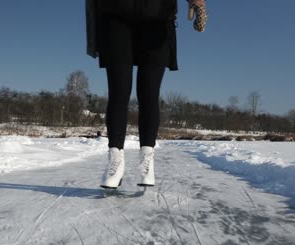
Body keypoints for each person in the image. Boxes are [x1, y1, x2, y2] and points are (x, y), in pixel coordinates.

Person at [85, 0, 207, 189]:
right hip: (116, 17)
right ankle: (115, 160)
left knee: (149, 94)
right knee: (118, 92)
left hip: (157, 19)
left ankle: (146, 160)